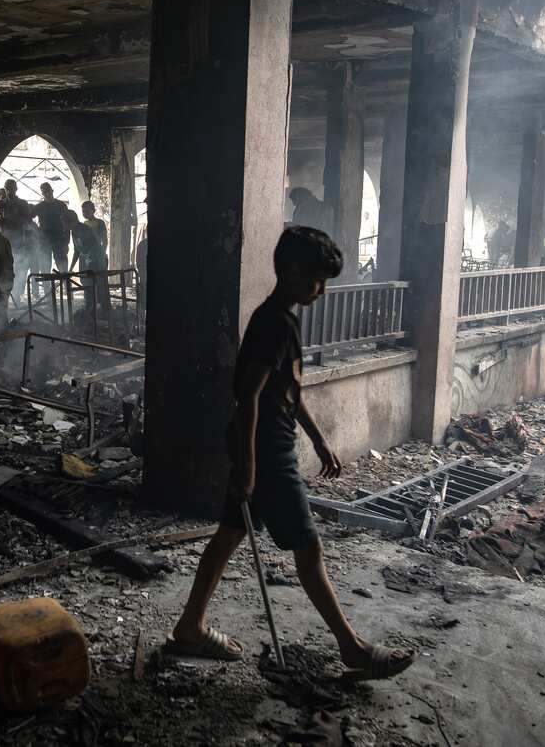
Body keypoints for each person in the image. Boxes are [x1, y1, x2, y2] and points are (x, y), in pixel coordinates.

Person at [165, 226, 415, 682]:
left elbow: (287, 391)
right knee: (309, 548)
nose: (322, 290)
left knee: (227, 536)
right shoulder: (273, 324)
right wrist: (249, 466)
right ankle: (352, 647)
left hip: (268, 447)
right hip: (268, 453)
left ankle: (189, 625)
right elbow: (250, 398)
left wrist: (318, 438)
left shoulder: (284, 319)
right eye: (318, 280)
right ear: (293, 271)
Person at [33, 183, 71, 274]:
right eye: (45, 192)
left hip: (59, 239)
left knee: (63, 267)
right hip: (44, 241)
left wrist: (66, 242)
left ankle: (66, 286)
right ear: (42, 193)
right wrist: (36, 232)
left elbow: (68, 224)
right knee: (45, 268)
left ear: (52, 190)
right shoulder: (39, 207)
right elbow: (29, 219)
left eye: (48, 191)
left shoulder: (61, 205)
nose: (47, 193)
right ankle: (47, 288)